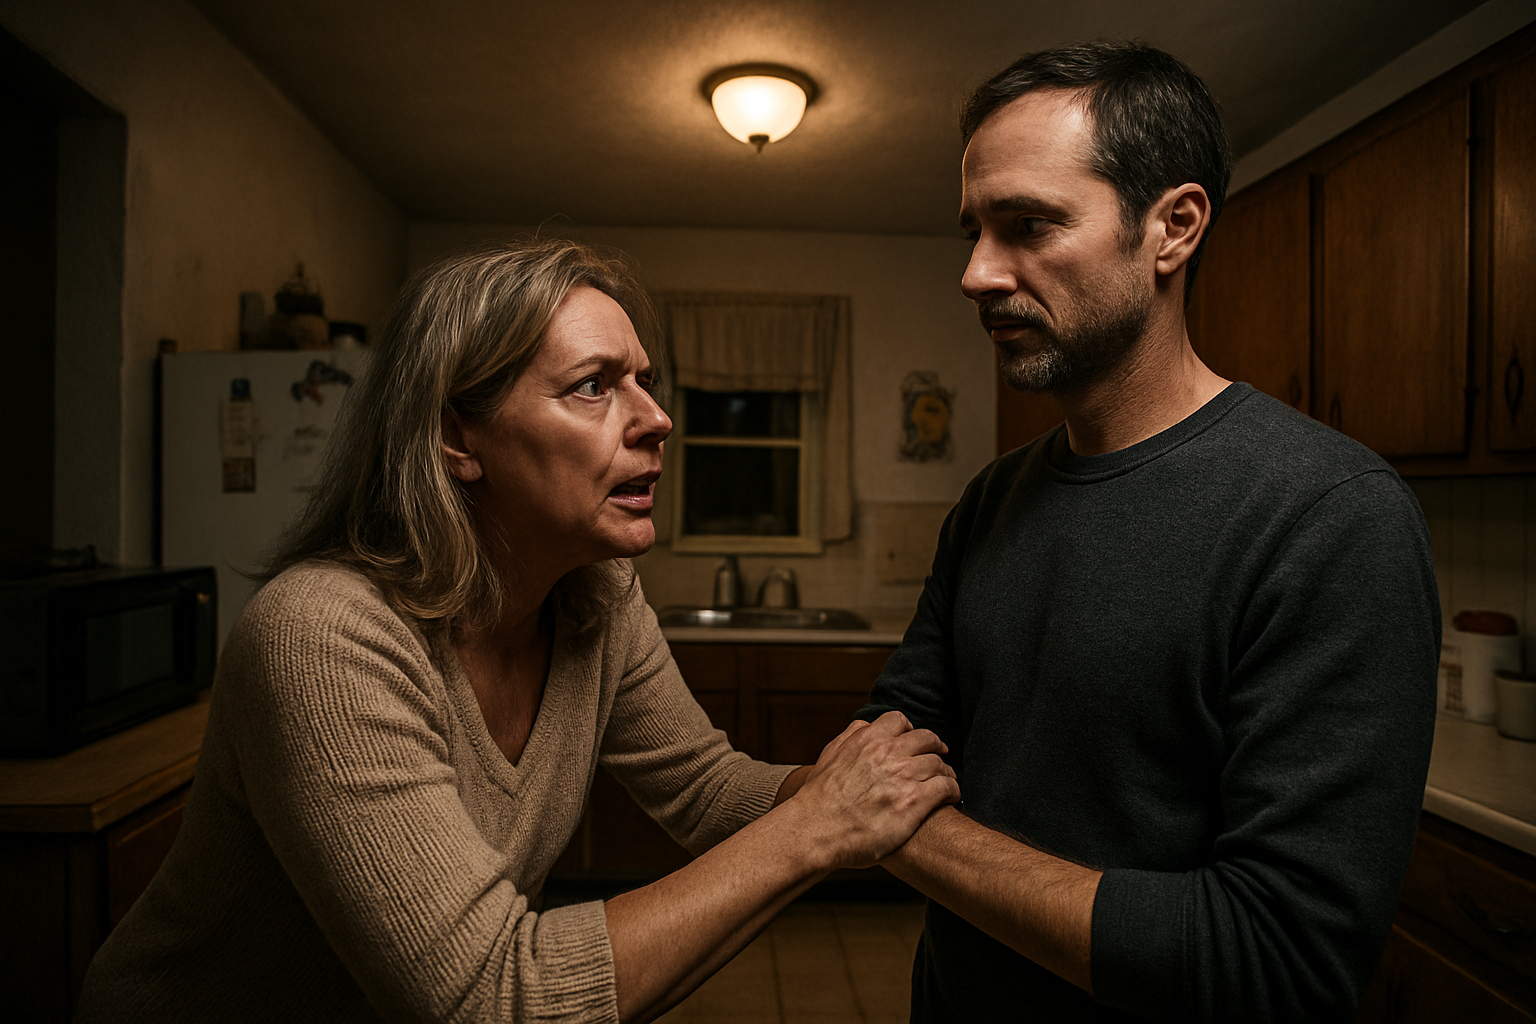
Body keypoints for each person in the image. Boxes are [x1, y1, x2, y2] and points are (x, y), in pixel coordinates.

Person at [76, 240, 960, 1023]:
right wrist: (821, 824)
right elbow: (495, 998)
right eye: (593, 386)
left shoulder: (598, 597)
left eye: (644, 381)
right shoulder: (322, 637)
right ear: (459, 437)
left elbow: (703, 786)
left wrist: (849, 787)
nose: (657, 417)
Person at [862, 42, 1441, 1022]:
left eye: (1029, 225)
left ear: (1172, 228)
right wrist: (870, 802)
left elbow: (1276, 959)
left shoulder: (1332, 515)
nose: (975, 273)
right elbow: (882, 744)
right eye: (973, 231)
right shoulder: (992, 502)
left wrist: (899, 832)